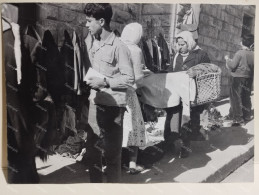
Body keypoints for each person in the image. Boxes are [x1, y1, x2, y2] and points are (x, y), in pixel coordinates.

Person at [84, 3, 134, 183]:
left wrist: (105, 82)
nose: (86, 25)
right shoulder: (92, 41)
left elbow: (129, 79)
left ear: (102, 21)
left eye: (89, 21)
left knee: (112, 157)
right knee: (92, 153)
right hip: (95, 104)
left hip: (113, 107)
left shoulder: (119, 47)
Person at [164, 31, 210, 158]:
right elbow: (171, 71)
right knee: (172, 118)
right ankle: (169, 143)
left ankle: (185, 146)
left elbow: (209, 69)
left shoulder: (200, 54)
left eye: (182, 44)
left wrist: (197, 71)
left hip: (191, 94)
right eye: (178, 44)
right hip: (176, 93)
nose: (179, 47)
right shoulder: (176, 56)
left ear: (189, 43)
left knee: (187, 119)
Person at [120, 22, 147, 174]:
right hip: (129, 95)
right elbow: (138, 79)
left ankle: (112, 164)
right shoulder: (135, 50)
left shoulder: (116, 44)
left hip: (114, 93)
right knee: (133, 128)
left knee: (116, 129)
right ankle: (131, 164)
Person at [224, 34, 254, 126]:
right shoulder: (253, 54)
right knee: (246, 96)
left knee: (235, 98)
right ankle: (246, 116)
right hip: (248, 78)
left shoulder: (239, 53)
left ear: (242, 42)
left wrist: (227, 59)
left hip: (237, 78)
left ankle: (238, 119)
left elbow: (232, 65)